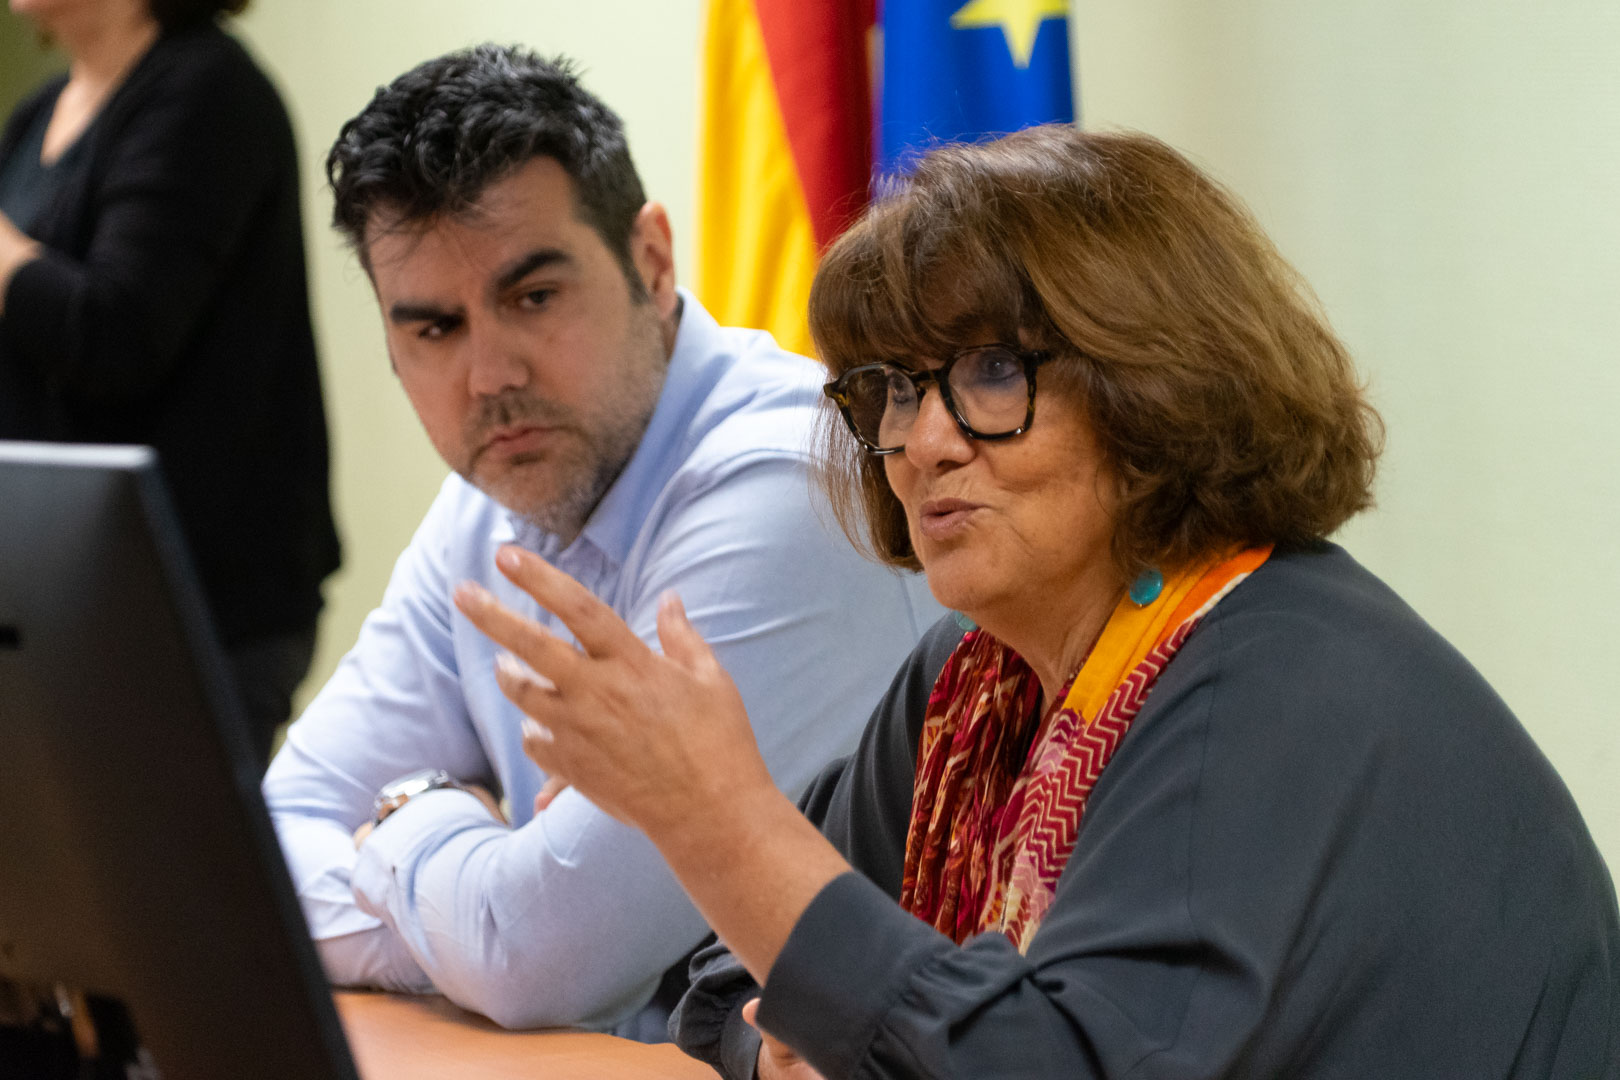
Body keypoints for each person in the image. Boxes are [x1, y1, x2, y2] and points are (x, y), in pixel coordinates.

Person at [455, 126, 1620, 1078]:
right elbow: (724, 976)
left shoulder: (1280, 683)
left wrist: (715, 819)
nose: (922, 442)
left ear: (1155, 384)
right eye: (892, 391)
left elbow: (1049, 1063)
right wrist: (787, 1048)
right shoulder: (971, 681)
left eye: (992, 372)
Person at [260, 44, 939, 1038]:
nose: (490, 375)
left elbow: (535, 958)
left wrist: (409, 818)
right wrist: (472, 903)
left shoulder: (793, 482)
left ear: (651, 262)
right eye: (435, 330)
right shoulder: (493, 494)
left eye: (533, 297)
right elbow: (277, 832)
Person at [0, 0, 341, 764]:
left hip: (192, 603)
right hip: (60, 595)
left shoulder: (211, 92)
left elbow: (117, 335)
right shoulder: (38, 114)